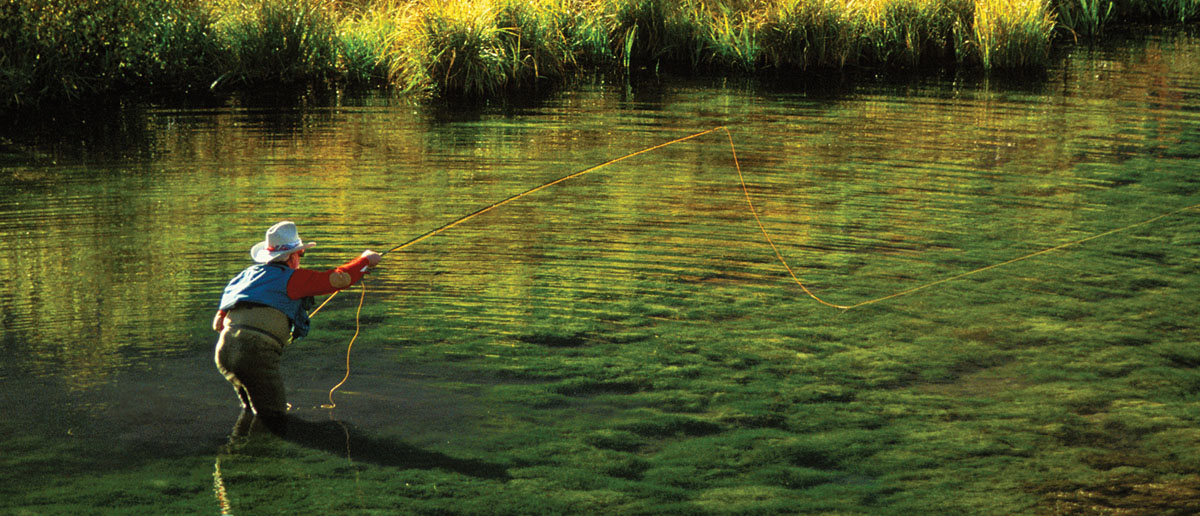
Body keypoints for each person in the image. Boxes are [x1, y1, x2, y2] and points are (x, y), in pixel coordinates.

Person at [213, 221, 381, 428]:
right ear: (292, 256)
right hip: (255, 354)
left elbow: (218, 323)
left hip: (224, 354)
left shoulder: (244, 277)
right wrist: (365, 260)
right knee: (275, 417)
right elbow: (339, 279)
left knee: (252, 411)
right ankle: (264, 454)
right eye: (300, 255)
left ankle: (239, 452)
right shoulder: (292, 278)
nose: (300, 259)